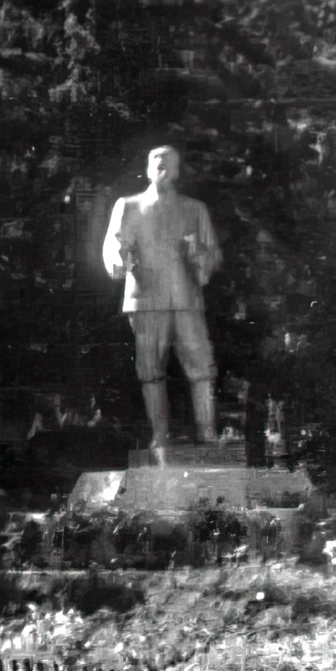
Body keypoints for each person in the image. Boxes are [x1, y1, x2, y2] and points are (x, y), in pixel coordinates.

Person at [102, 146, 222, 449]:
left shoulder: (194, 209)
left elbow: (211, 254)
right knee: (150, 369)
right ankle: (160, 435)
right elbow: (116, 250)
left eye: (170, 164)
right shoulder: (128, 206)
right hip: (146, 297)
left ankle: (206, 432)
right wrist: (127, 265)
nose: (163, 169)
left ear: (178, 170)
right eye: (158, 163)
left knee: (201, 366)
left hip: (185, 298)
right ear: (147, 168)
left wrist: (199, 257)